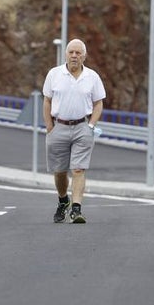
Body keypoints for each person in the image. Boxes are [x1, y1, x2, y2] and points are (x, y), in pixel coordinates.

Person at [42, 38, 106, 224]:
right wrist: (49, 127)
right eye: (71, 52)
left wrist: (91, 126)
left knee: (78, 169)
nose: (74, 56)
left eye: (78, 53)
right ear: (66, 54)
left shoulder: (92, 77)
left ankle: (76, 209)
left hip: (82, 128)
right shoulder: (54, 74)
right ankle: (63, 201)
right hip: (58, 127)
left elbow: (98, 103)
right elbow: (46, 100)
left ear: (84, 56)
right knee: (60, 171)